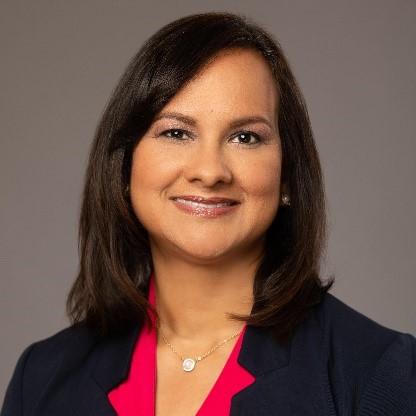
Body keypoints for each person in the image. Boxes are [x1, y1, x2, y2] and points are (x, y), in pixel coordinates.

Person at [1, 12, 415, 416]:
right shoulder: (40, 379)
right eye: (176, 132)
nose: (210, 172)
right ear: (125, 165)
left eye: (245, 137)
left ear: (287, 174)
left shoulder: (378, 373)